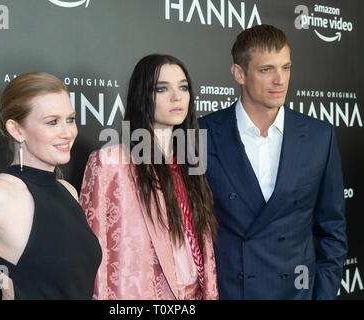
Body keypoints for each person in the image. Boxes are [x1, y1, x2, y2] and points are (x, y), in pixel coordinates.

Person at [198, 24, 347, 299]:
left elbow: (332, 230)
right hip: (230, 292)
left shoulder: (319, 136)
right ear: (239, 73)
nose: (280, 79)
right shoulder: (201, 135)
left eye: (286, 67)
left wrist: (322, 295)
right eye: (266, 69)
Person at [0, 72, 102, 300]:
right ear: (16, 130)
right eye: (52, 122)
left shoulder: (68, 191)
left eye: (70, 119)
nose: (68, 132)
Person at [79, 54, 218, 299]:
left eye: (183, 87)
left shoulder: (190, 161)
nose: (177, 97)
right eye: (162, 88)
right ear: (143, 95)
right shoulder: (110, 162)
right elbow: (93, 252)